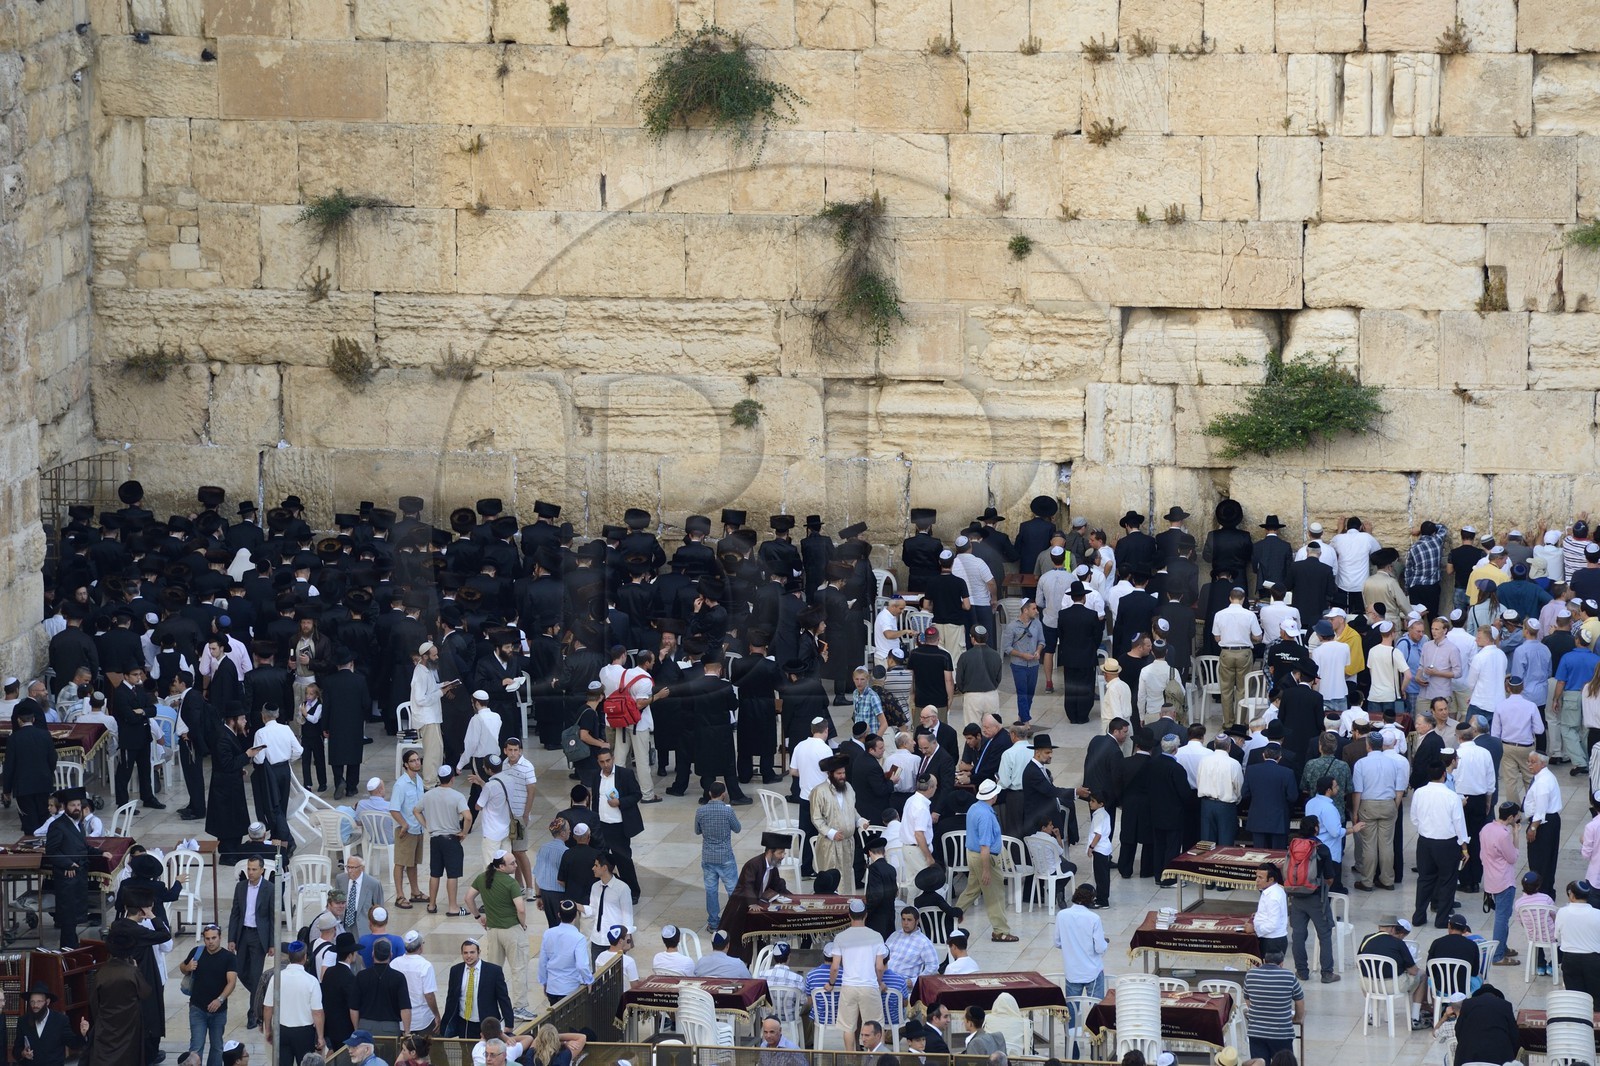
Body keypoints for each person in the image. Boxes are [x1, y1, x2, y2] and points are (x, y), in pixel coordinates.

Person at [465, 852, 532, 1020]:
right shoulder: (511, 883)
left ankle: (490, 1007)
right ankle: (519, 1007)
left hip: (493, 931)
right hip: (512, 931)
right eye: (512, 863)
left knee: (492, 971)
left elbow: (468, 898)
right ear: (501, 866)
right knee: (518, 969)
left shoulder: (482, 878)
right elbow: (521, 909)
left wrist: (477, 917)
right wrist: (522, 924)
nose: (516, 865)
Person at [1409, 759, 1470, 929]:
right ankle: (1442, 919)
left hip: (1425, 842)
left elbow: (1414, 818)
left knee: (1424, 879)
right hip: (1447, 844)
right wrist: (1464, 848)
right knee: (1447, 880)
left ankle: (1419, 916)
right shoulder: (1452, 796)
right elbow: (1459, 824)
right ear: (1444, 774)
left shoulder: (1419, 793)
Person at [824, 898, 888, 1051]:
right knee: (876, 1027)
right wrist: (878, 982)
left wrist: (831, 984)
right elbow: (880, 967)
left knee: (848, 1027)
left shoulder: (841, 937)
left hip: (849, 987)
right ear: (865, 915)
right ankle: (877, 1060)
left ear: (849, 915)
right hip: (869, 986)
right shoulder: (876, 936)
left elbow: (834, 967)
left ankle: (850, 1061)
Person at [957, 779, 1016, 940]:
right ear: (994, 795)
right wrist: (986, 870)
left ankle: (951, 916)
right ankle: (1001, 931)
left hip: (973, 855)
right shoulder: (986, 816)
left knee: (972, 890)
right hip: (985, 858)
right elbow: (985, 846)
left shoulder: (974, 807)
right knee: (995, 895)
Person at [417, 765, 473, 915]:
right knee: (452, 874)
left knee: (435, 873)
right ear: (453, 779)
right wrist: (464, 832)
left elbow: (416, 810)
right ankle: (453, 907)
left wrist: (427, 825)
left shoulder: (428, 795)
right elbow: (468, 816)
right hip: (451, 839)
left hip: (435, 839)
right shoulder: (457, 796)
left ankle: (431, 905)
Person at [180, 923, 238, 1066]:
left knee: (217, 1047)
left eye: (214, 938)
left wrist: (220, 1000)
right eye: (207, 938)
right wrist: (187, 967)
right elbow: (182, 966)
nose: (211, 942)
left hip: (219, 1011)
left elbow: (231, 982)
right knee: (196, 1048)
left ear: (220, 938)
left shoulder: (228, 957)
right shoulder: (197, 952)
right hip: (197, 1008)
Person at [43, 787, 94, 949]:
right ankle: (68, 948)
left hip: (78, 875)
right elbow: (52, 851)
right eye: (73, 805)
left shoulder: (78, 824)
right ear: (65, 807)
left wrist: (101, 852)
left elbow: (83, 846)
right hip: (67, 876)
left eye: (78, 805)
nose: (77, 808)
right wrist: (67, 864)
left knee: (75, 913)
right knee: (68, 915)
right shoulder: (58, 826)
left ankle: (72, 945)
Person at [260, 941, 325, 1066]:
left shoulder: (277, 978)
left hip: (282, 1030)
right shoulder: (311, 981)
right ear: (305, 957)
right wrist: (320, 1036)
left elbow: (268, 1007)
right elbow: (317, 1012)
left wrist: (268, 1029)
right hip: (304, 1032)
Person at [228, 856, 274, 1029]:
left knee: (255, 975)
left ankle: (253, 1013)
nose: (250, 872)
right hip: (243, 934)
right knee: (239, 971)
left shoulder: (269, 889)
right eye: (249, 869)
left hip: (259, 936)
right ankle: (261, 995)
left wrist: (272, 943)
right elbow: (235, 913)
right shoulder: (240, 887)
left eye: (254, 869)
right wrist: (231, 938)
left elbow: (272, 917)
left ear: (262, 870)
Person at [440, 939, 514, 1038]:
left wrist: (509, 1023)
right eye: (465, 953)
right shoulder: (455, 970)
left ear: (479, 952)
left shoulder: (493, 971)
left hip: (487, 1023)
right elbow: (451, 998)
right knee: (466, 1051)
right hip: (465, 1023)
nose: (468, 956)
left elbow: (503, 998)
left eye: (472, 952)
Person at [695, 781, 743, 932]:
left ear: (709, 794)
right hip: (725, 857)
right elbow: (737, 828)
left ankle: (713, 923)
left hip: (708, 857)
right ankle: (735, 920)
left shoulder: (700, 811)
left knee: (711, 891)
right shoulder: (728, 812)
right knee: (732, 890)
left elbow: (697, 831)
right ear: (724, 794)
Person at [1479, 802, 1522, 966]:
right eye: (1516, 815)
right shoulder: (1504, 835)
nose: (1518, 818)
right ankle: (1498, 955)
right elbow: (1512, 857)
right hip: (1504, 880)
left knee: (1503, 916)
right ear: (1510, 817)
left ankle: (1502, 947)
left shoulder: (1486, 829)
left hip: (1490, 877)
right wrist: (1516, 836)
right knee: (1502, 918)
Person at [1241, 950, 1302, 1062]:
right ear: (1282, 963)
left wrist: (1258, 1011)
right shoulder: (1289, 976)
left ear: (1264, 961)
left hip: (1256, 1032)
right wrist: (1297, 1018)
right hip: (1281, 1033)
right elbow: (1299, 1001)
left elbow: (1247, 998)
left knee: (1259, 1062)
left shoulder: (1251, 974)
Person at [1055, 883, 1108, 1001]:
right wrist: (1105, 943)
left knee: (1072, 1012)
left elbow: (1057, 942)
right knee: (1096, 1011)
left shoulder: (1062, 915)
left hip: (1072, 972)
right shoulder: (1094, 918)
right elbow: (1100, 948)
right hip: (1092, 972)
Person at [12, 982, 85, 1066]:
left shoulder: (60, 1020)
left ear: (47, 1002)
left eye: (39, 1001)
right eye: (32, 1002)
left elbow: (73, 1044)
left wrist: (82, 1034)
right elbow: (16, 1050)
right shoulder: (23, 1021)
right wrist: (23, 1053)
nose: (35, 1005)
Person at [1447, 985, 1519, 1066]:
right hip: (1499, 1058)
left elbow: (1458, 1030)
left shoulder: (1467, 1004)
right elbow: (1514, 1036)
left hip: (1468, 1058)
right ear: (1496, 996)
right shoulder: (1505, 1005)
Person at [537, 898, 592, 1003]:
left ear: (559, 915)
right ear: (576, 915)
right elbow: (582, 965)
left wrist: (544, 982)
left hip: (552, 987)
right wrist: (588, 980)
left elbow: (542, 962)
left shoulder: (548, 934)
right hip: (570, 989)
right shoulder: (579, 938)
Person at [353, 938, 411, 1036]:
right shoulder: (398, 977)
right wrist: (407, 1031)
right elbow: (405, 1008)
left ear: (373, 954)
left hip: (365, 1026)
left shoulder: (361, 976)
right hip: (390, 1028)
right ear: (391, 955)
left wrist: (356, 1029)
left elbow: (354, 1007)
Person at [1556, 879, 1600, 997]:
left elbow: (1557, 936)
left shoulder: (1562, 912)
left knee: (1575, 999)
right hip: (1593, 960)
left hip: (1570, 960)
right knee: (1596, 999)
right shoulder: (1597, 914)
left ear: (1572, 895)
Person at [391, 930, 440, 1036]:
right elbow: (429, 995)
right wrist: (436, 1015)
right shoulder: (425, 965)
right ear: (420, 947)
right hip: (422, 1020)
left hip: (401, 1020)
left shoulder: (394, 963)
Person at [886, 907, 939, 981]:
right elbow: (882, 955)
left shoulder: (923, 942)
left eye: (909, 920)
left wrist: (914, 981)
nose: (905, 923)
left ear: (917, 921)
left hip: (903, 982)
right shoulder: (894, 935)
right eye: (903, 919)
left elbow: (933, 966)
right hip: (883, 978)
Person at [1085, 791, 1113, 909]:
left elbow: (1098, 834)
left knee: (1100, 876)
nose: (1090, 803)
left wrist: (1091, 847)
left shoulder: (1098, 816)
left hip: (1100, 849)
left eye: (1093, 801)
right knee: (1104, 876)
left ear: (1101, 804)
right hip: (1105, 848)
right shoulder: (1104, 814)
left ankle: (1102, 901)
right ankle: (1102, 897)